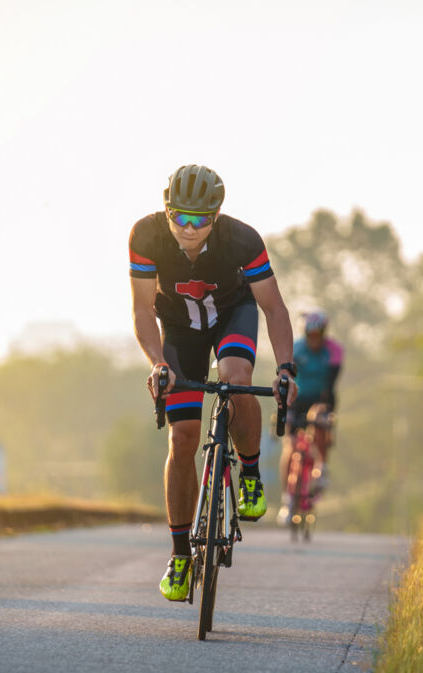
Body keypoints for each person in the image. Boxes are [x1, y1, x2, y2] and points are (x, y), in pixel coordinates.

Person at [129, 164, 299, 602]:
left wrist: (285, 369)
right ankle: (181, 555)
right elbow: (143, 310)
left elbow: (275, 309)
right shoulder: (145, 236)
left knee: (235, 378)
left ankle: (251, 473)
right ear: (167, 211)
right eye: (180, 217)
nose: (188, 228)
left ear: (217, 215)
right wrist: (156, 362)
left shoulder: (243, 240)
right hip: (179, 332)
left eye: (200, 219)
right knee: (182, 439)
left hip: (231, 316)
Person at [277, 310, 343, 522]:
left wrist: (326, 409)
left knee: (320, 420)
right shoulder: (296, 349)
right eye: (310, 335)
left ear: (324, 333)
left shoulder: (334, 350)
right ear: (305, 334)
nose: (314, 339)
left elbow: (332, 383)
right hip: (297, 399)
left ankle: (321, 468)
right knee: (291, 445)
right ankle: (287, 499)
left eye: (318, 335)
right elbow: (286, 381)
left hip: (322, 397)